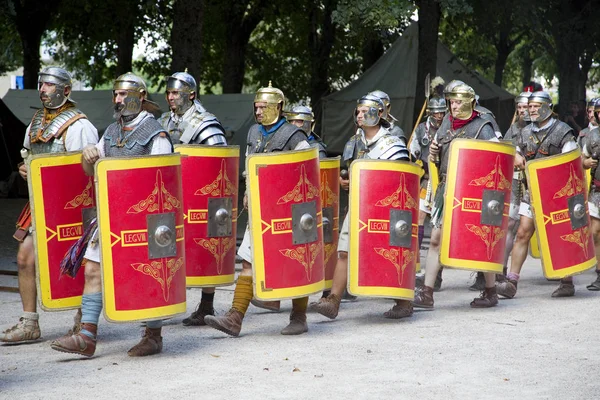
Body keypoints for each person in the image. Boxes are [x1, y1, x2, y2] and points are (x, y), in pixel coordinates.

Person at [50, 73, 174, 357]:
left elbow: (161, 181)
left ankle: (153, 335)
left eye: (123, 95)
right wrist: (88, 157)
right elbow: (89, 172)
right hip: (109, 214)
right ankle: (87, 336)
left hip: (144, 221)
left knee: (147, 275)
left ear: (141, 97)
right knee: (92, 268)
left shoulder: (157, 135)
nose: (117, 100)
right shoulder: (112, 131)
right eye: (115, 95)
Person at [204, 82, 312, 336]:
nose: (259, 111)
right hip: (260, 211)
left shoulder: (294, 137)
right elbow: (250, 164)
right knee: (248, 262)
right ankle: (235, 318)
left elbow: (307, 171)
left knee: (295, 263)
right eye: (257, 106)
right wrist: (247, 189)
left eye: (264, 106)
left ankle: (299, 316)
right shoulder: (254, 132)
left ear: (278, 107)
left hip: (289, 213)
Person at [1, 67, 98, 344]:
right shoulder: (35, 123)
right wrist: (24, 168)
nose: (42, 90)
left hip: (73, 208)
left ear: (66, 90)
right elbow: (30, 159)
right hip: (41, 205)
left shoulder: (80, 126)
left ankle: (84, 319)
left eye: (49, 86)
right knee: (24, 258)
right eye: (41, 85)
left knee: (79, 262)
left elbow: (88, 171)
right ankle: (30, 323)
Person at [310, 94, 411, 320]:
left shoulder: (392, 143)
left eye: (366, 112)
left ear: (379, 114)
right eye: (358, 112)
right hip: (358, 205)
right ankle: (333, 301)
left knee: (390, 252)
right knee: (344, 250)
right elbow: (352, 172)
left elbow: (402, 180)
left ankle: (404, 301)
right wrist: (345, 182)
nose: (360, 115)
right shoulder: (354, 142)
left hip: (386, 210)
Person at [412, 81, 501, 309]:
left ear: (470, 101)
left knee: (483, 237)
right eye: (451, 101)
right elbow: (441, 157)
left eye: (458, 101)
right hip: (447, 187)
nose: (453, 105)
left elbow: (496, 160)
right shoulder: (447, 125)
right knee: (436, 238)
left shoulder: (484, 127)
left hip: (475, 191)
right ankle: (427, 293)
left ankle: (491, 291)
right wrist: (434, 153)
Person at [158, 71, 227, 327]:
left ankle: (206, 306)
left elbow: (218, 162)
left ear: (191, 95)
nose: (171, 97)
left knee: (204, 246)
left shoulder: (205, 122)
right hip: (170, 197)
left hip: (199, 198)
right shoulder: (163, 121)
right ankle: (162, 304)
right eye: (168, 93)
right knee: (163, 246)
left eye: (176, 93)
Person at [496, 91, 578, 299]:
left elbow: (570, 163)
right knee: (523, 232)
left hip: (557, 194)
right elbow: (517, 152)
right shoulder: (524, 132)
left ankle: (567, 281)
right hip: (531, 192)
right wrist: (515, 155)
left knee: (559, 235)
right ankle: (512, 281)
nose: (531, 110)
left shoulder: (563, 132)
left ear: (548, 107)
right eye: (529, 106)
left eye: (535, 106)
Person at [410, 97, 445, 291]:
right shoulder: (421, 129)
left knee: (439, 224)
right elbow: (414, 152)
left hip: (444, 179)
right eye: (436, 112)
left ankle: (437, 273)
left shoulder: (449, 127)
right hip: (426, 179)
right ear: (430, 112)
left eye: (442, 112)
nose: (440, 116)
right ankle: (416, 269)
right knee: (420, 218)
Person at [580, 98, 600, 290]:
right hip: (597, 190)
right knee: (594, 232)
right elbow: (581, 158)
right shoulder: (592, 137)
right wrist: (585, 163)